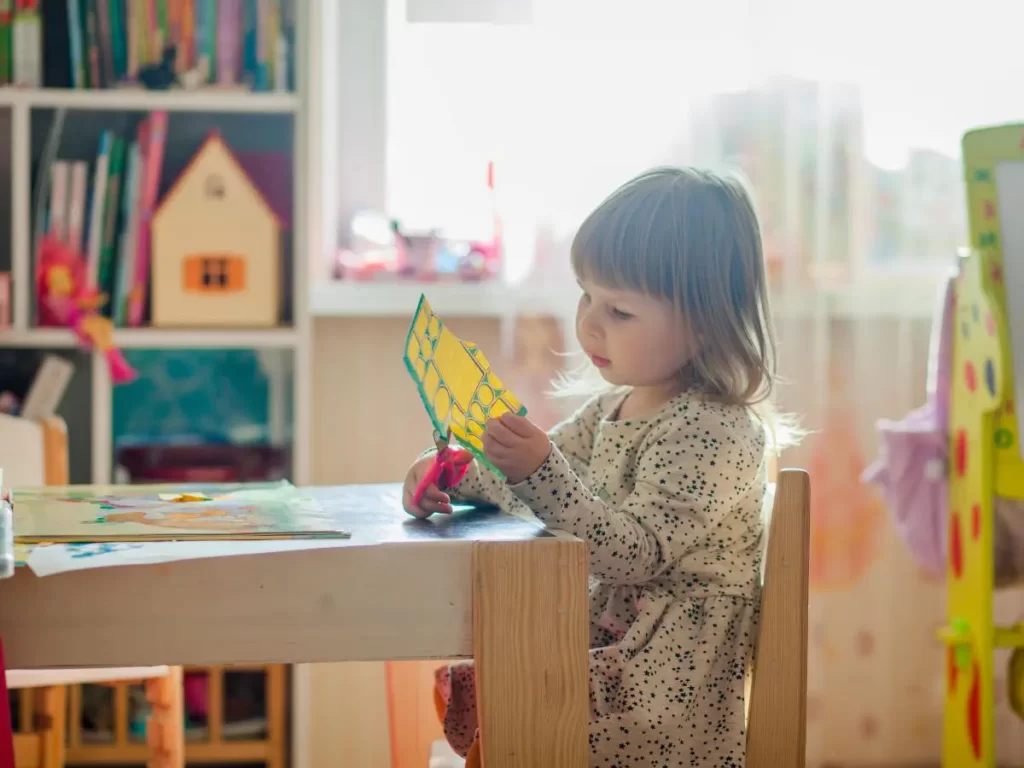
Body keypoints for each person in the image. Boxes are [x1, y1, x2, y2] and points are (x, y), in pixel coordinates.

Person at [403, 166, 796, 766]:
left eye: (620, 310)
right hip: (612, 653)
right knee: (502, 680)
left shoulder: (716, 430)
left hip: (660, 696)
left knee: (517, 702)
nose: (588, 321)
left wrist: (537, 470)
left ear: (706, 319)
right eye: (587, 294)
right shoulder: (611, 406)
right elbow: (535, 482)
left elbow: (633, 552)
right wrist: (453, 474)